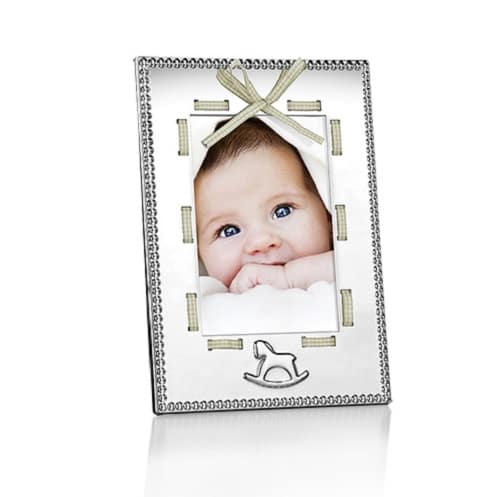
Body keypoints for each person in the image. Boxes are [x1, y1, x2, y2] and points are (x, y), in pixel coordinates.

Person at [194, 117, 334, 294]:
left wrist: (288, 277)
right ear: (199, 255)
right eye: (228, 230)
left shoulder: (352, 263)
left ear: (328, 214)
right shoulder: (205, 298)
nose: (260, 242)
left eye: (282, 211)